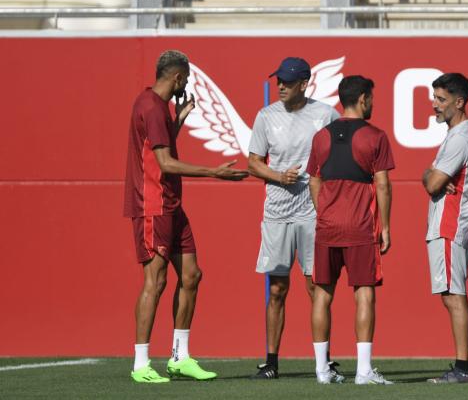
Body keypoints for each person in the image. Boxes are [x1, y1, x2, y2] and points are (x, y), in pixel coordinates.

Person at [123, 50, 249, 383]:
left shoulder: (159, 108)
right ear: (177, 77)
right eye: (187, 78)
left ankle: (179, 356)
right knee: (156, 281)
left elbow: (159, 151)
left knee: (191, 275)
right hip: (153, 205)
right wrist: (213, 172)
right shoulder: (150, 106)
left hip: (171, 204)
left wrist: (177, 120)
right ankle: (140, 364)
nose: (187, 83)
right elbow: (164, 164)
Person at [247, 57, 341, 380]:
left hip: (314, 212)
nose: (281, 86)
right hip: (277, 213)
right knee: (277, 290)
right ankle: (271, 361)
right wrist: (277, 176)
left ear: (304, 84)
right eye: (279, 81)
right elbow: (253, 163)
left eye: (288, 81)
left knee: (316, 287)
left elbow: (340, 155)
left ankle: (323, 360)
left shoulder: (326, 115)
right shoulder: (266, 116)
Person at [307, 75, 395, 385]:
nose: (372, 102)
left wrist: (325, 213)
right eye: (370, 97)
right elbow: (382, 184)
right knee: (365, 295)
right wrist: (385, 227)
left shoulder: (321, 137)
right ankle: (363, 371)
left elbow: (314, 181)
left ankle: (321, 371)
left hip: (326, 228)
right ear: (362, 99)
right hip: (360, 228)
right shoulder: (376, 136)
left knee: (322, 295)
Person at [421, 73, 468, 384]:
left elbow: (432, 182)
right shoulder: (461, 133)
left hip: (450, 222)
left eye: (441, 99)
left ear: (459, 102)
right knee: (454, 292)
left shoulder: (460, 137)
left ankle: (462, 367)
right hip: (456, 223)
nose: (434, 105)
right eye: (434, 98)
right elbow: (434, 179)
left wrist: (429, 175)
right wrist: (431, 175)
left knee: (453, 294)